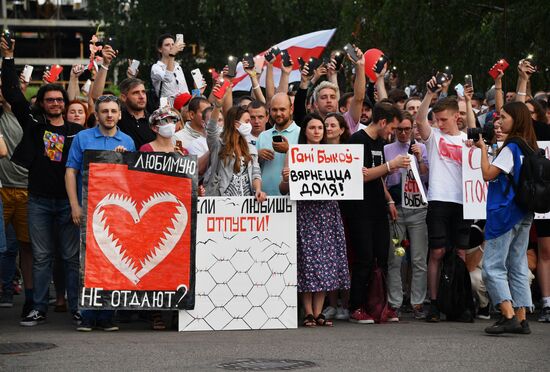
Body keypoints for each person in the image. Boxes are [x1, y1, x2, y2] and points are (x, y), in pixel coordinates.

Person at [1, 36, 84, 326]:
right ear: (43, 104)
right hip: (37, 200)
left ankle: (76, 307)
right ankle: (37, 307)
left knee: (71, 258)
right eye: (49, 100)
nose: (55, 103)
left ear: (65, 103)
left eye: (59, 100)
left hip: (68, 203)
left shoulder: (78, 132)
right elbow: (12, 94)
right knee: (41, 257)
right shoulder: (34, 125)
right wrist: (8, 58)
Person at [65, 95, 135, 332]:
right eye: (104, 111)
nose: (109, 115)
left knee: (112, 261)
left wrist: (124, 159)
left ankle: (106, 314)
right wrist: (75, 205)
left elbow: (134, 181)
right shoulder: (83, 138)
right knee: (84, 262)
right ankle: (84, 314)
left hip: (115, 211)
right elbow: (70, 171)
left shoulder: (127, 141)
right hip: (87, 207)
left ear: (119, 114)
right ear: (96, 113)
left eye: (113, 111)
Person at [470, 102, 537, 334]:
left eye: (504, 117)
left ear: (516, 120)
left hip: (505, 212)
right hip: (524, 211)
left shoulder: (511, 148)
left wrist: (481, 149)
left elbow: (488, 175)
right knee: (517, 266)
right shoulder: (529, 146)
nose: (499, 122)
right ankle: (521, 317)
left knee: (492, 266)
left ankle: (508, 315)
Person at [341, 102, 410, 324]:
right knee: (364, 257)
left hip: (378, 205)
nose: (392, 133)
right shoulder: (357, 140)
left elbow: (377, 177)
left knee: (382, 255)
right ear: (382, 122)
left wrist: (388, 199)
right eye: (392, 128)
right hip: (359, 208)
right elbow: (360, 175)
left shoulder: (380, 142)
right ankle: (356, 306)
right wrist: (391, 165)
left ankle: (379, 304)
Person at [279, 113, 350, 327]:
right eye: (312, 127)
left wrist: (356, 173)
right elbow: (284, 189)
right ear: (305, 131)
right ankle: (308, 311)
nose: (317, 131)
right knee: (307, 261)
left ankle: (319, 312)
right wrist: (286, 178)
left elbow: (345, 183)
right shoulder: (294, 153)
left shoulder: (335, 154)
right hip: (306, 213)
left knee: (326, 262)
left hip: (328, 212)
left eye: (320, 128)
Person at [416, 77, 472, 323]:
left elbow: (474, 128)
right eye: (436, 120)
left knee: (460, 251)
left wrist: (468, 103)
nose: (438, 124)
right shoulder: (434, 137)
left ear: (456, 117)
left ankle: (459, 301)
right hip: (438, 198)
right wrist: (429, 94)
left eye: (443, 120)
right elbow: (419, 121)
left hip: (463, 200)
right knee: (437, 251)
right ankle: (435, 302)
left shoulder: (466, 139)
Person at [384, 111, 429, 320]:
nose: (402, 133)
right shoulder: (387, 149)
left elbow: (427, 174)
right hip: (397, 208)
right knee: (396, 257)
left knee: (419, 258)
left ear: (412, 129)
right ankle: (395, 302)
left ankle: (417, 301)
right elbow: (383, 177)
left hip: (417, 208)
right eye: (398, 129)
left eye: (406, 129)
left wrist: (419, 156)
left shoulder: (421, 147)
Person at [205, 86, 266, 201]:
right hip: (222, 201)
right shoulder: (218, 144)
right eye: (247, 121)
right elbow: (211, 129)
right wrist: (218, 106)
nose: (250, 125)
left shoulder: (250, 148)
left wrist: (258, 189)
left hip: (246, 203)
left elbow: (256, 173)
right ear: (236, 124)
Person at [256, 93, 301, 195]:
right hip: (265, 197)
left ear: (291, 109)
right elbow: (252, 169)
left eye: (282, 109)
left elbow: (308, 164)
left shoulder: (301, 133)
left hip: (292, 197)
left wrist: (289, 150)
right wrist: (258, 155)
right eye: (274, 110)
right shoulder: (263, 136)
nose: (278, 113)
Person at [151, 33, 189, 101]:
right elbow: (168, 78)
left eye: (173, 44)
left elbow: (185, 91)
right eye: (167, 45)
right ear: (160, 49)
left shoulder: (178, 67)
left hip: (183, 108)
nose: (171, 47)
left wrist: (197, 91)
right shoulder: (156, 68)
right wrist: (172, 55)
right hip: (168, 109)